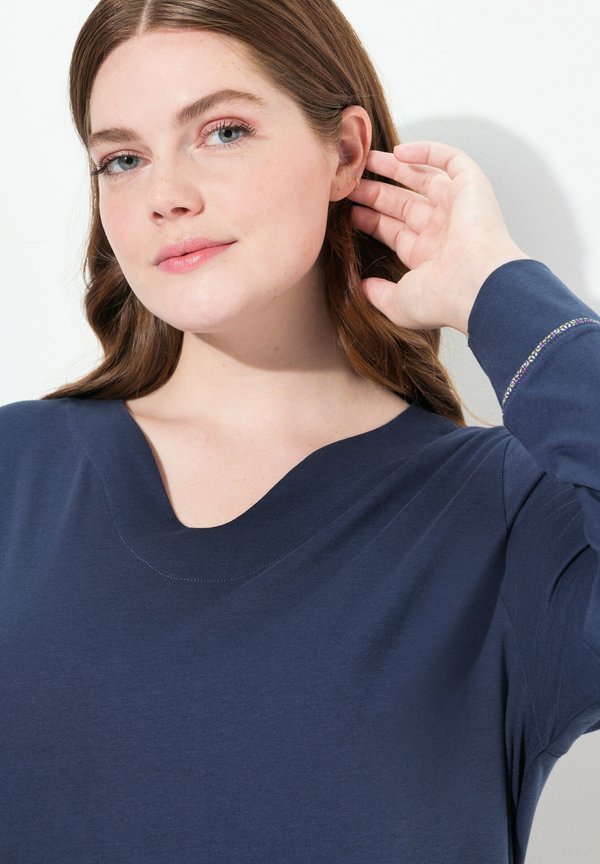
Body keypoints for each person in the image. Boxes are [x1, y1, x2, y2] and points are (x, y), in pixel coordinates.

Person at [1, 1, 599, 862]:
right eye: (123, 159)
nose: (166, 196)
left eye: (223, 132)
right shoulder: (16, 476)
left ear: (346, 153)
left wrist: (497, 290)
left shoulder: (507, 520)